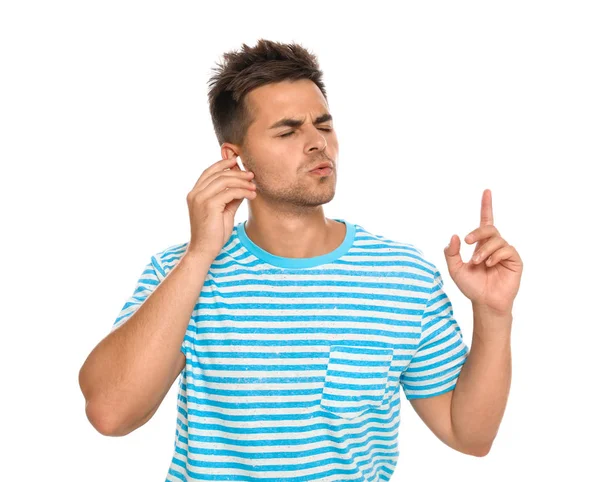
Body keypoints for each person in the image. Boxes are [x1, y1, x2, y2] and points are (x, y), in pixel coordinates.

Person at [79, 38, 523, 481]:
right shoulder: (178, 272)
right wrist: (199, 255)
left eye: (323, 125)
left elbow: (470, 436)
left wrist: (493, 313)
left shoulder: (403, 276)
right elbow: (111, 413)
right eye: (288, 131)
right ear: (235, 160)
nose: (317, 144)